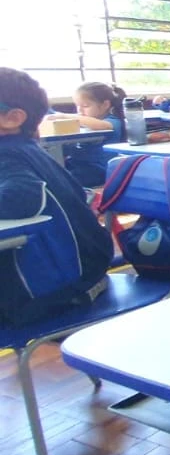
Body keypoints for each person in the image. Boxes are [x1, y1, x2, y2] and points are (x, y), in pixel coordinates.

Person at [0, 68, 112, 327]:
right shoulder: (22, 148)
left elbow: (22, 196)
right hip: (82, 264)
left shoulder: (8, 153)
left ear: (13, 118)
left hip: (68, 282)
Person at [46, 81, 126, 187]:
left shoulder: (113, 121)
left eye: (85, 106)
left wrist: (65, 116)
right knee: (48, 174)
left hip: (98, 169)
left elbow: (102, 125)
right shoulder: (85, 122)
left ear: (105, 105)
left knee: (60, 181)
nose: (80, 110)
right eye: (77, 106)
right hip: (77, 165)